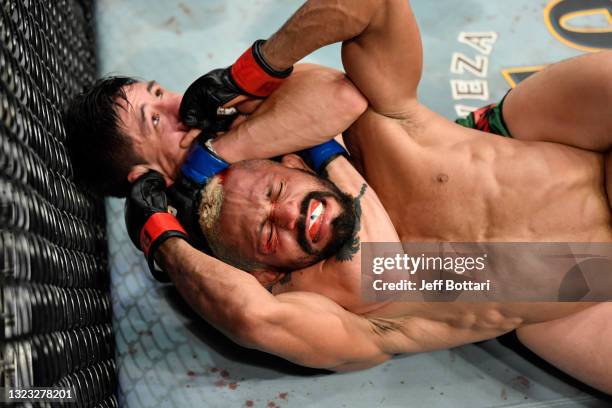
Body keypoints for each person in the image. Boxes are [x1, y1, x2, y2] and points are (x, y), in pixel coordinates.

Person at [117, 0, 612, 393]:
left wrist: (257, 72)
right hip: (576, 291)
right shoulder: (265, 274)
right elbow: (364, 279)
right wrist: (162, 234)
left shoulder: (252, 111)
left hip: (555, 169)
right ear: (143, 173)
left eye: (161, 92)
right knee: (537, 279)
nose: (178, 105)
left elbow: (351, 63)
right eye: (155, 118)